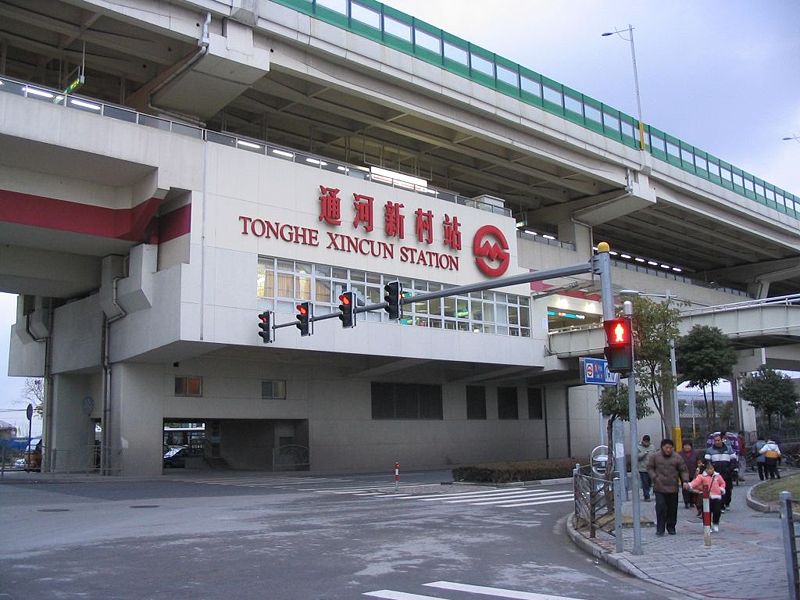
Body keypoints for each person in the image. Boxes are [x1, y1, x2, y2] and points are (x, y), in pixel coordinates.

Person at [647, 438, 690, 536]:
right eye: (667, 448)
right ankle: (660, 529)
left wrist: (685, 481)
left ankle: (671, 527)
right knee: (661, 507)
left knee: (672, 509)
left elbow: (683, 470)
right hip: (659, 487)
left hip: (673, 487)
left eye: (670, 448)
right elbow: (650, 468)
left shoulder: (677, 457)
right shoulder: (655, 456)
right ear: (662, 447)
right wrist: (654, 477)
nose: (668, 450)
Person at [686, 461, 726, 532]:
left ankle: (716, 523)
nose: (710, 470)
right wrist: (689, 485)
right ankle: (707, 526)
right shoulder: (702, 477)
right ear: (705, 469)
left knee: (717, 511)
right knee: (706, 512)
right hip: (706, 497)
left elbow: (722, 483)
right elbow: (695, 482)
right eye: (708, 469)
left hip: (717, 496)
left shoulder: (718, 476)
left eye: (711, 468)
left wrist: (721, 489)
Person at [705, 433, 735, 511]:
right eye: (715, 441)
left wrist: (731, 469)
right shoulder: (710, 450)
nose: (717, 442)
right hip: (716, 474)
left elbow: (733, 461)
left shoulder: (729, 449)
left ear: (722, 440)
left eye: (718, 440)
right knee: (717, 490)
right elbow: (707, 462)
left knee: (728, 490)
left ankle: (727, 503)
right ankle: (721, 506)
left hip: (727, 473)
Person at [679, 440, 700, 509]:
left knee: (693, 487)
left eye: (688, 445)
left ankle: (692, 502)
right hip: (683, 473)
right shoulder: (680, 454)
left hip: (693, 473)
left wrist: (698, 470)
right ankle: (686, 502)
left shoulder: (695, 454)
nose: (687, 447)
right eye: (685, 445)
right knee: (685, 488)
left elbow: (699, 463)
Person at [637, 435, 655, 501]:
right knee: (645, 483)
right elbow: (637, 457)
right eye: (645, 442)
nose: (646, 443)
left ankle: (648, 492)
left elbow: (655, 455)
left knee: (650, 482)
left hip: (651, 468)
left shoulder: (652, 447)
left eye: (648, 442)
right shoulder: (638, 447)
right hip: (642, 469)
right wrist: (644, 453)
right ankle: (646, 496)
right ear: (643, 441)